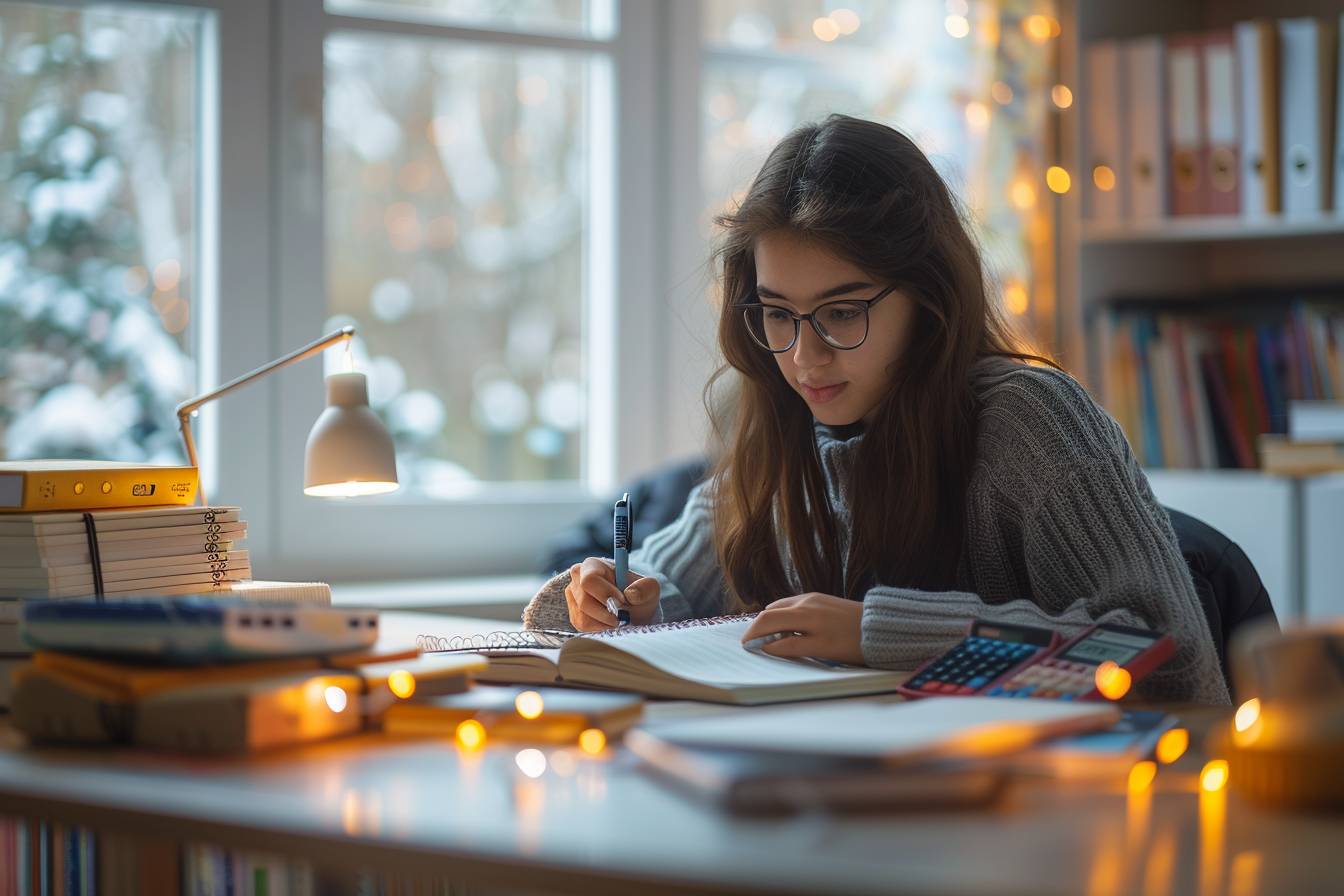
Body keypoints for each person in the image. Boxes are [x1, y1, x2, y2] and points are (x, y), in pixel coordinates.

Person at [521, 114, 1229, 704]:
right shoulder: (784, 424)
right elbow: (651, 586)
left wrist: (877, 632)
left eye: (841, 311)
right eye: (777, 314)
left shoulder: (1031, 421)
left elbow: (1168, 658)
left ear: (926, 297)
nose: (804, 357)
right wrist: (602, 596)